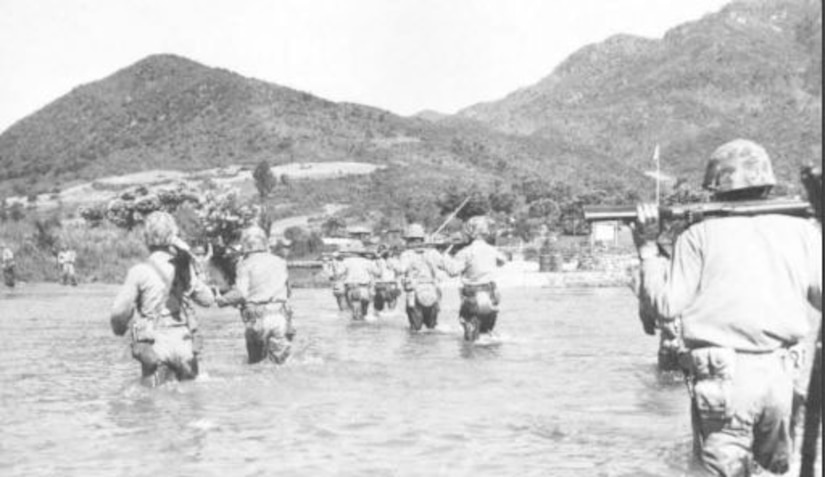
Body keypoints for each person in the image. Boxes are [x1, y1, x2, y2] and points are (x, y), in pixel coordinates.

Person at [631, 139, 822, 476]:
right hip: (781, 375)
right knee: (774, 471)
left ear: (714, 188)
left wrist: (647, 248)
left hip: (724, 376)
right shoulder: (803, 232)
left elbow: (665, 306)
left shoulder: (698, 236)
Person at [109, 211, 215, 387]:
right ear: (173, 236)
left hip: (155, 344)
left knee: (152, 404)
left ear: (146, 237)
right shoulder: (184, 269)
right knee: (191, 404)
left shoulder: (139, 272)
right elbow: (208, 299)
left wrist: (119, 329)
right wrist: (198, 272)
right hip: (184, 344)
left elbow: (120, 312)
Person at [216, 226, 294, 364]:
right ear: (265, 242)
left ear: (245, 244)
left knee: (256, 366)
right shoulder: (280, 262)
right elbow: (288, 291)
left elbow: (241, 293)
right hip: (281, 316)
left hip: (258, 318)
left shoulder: (244, 264)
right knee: (281, 365)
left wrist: (221, 300)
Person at [443, 216, 508, 341]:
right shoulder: (492, 250)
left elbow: (453, 271)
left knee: (469, 336)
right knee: (488, 334)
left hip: (471, 295)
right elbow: (502, 261)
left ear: (470, 232)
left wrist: (445, 257)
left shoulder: (466, 252)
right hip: (490, 294)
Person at [395, 223, 448, 331]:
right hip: (432, 290)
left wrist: (391, 264)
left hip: (414, 291)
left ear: (408, 239)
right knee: (431, 328)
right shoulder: (433, 252)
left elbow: (401, 269)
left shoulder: (406, 254)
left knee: (416, 329)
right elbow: (446, 266)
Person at [338, 241, 377, 321]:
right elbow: (377, 272)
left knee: (355, 315)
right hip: (365, 289)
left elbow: (339, 273)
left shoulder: (346, 261)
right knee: (364, 313)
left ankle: (356, 331)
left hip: (352, 288)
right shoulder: (367, 262)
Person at [372, 244, 401, 313]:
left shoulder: (375, 261)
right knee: (392, 302)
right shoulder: (394, 261)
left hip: (380, 284)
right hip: (391, 283)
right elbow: (399, 272)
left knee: (379, 306)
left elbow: (374, 273)